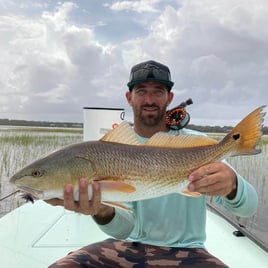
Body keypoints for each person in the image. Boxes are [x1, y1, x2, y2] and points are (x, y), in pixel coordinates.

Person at [47, 60, 258, 267]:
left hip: (188, 251)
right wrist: (101, 210)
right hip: (125, 247)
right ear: (129, 98)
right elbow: (124, 230)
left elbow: (249, 207)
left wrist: (232, 186)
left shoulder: (195, 145)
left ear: (169, 97)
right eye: (141, 91)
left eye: (158, 91)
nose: (149, 99)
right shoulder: (110, 149)